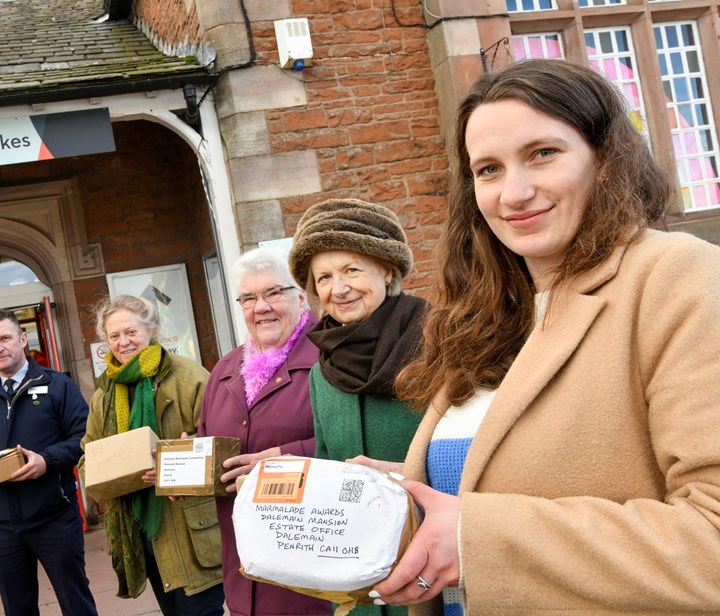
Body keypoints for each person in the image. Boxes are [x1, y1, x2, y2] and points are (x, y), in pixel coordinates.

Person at [363, 59, 720, 615]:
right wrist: (394, 492)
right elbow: (494, 480)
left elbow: (712, 539)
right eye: (488, 170)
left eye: (543, 154)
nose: (515, 193)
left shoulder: (677, 275)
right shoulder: (490, 317)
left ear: (604, 158)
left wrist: (476, 539)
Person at [286, 199, 428, 616]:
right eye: (324, 277)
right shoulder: (321, 371)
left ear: (387, 269)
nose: (339, 288)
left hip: (433, 570)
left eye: (351, 269)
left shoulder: (440, 344)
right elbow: (327, 466)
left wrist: (408, 477)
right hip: (358, 588)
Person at [197, 247, 333, 616]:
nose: (262, 307)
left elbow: (351, 446)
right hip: (245, 577)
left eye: (274, 293)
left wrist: (280, 458)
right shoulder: (224, 370)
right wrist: (181, 474)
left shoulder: (331, 358)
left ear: (301, 297)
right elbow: (205, 442)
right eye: (249, 298)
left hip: (313, 578)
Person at [80, 295, 224, 615]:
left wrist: (175, 462)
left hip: (189, 527)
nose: (123, 342)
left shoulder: (188, 376)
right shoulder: (104, 394)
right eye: (114, 335)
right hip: (145, 533)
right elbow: (87, 457)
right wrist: (111, 474)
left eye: (131, 332)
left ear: (152, 329)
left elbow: (223, 444)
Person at [0, 308, 97, 616]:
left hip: (53, 517)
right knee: (18, 610)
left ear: (23, 338)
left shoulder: (57, 385)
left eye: (5, 338)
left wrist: (46, 461)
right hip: (1, 526)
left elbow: (85, 439)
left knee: (76, 603)